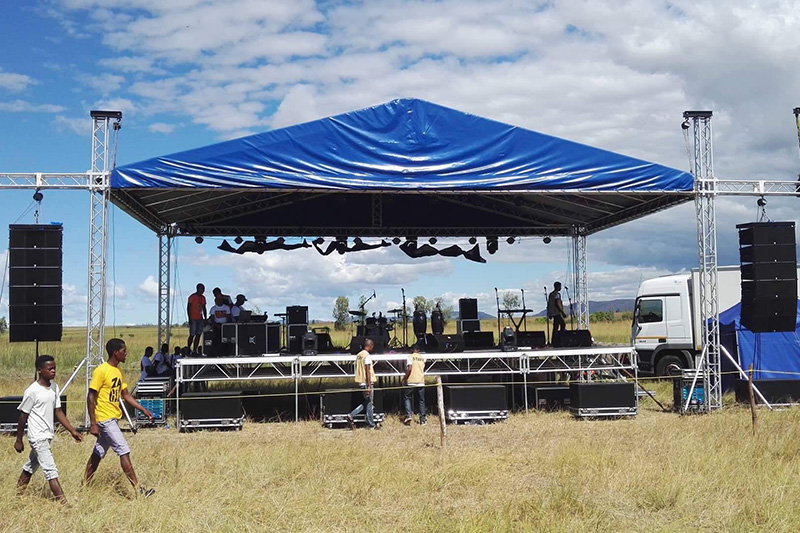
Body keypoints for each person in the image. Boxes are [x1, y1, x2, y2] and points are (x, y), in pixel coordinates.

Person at [84, 338, 155, 497]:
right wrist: (93, 423)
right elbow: (91, 396)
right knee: (124, 451)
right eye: (123, 351)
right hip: (105, 419)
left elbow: (125, 395)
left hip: (112, 418)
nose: (126, 353)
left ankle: (85, 486)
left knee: (98, 453)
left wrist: (143, 409)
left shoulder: (118, 371)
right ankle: (139, 491)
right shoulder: (101, 371)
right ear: (115, 353)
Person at [14, 355, 83, 504]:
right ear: (40, 370)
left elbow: (58, 412)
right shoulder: (32, 391)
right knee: (51, 470)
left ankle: (17, 496)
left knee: (30, 466)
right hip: (37, 436)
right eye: (50, 368)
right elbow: (23, 416)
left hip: (47, 435)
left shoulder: (54, 387)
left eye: (54, 368)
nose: (53, 371)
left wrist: (72, 430)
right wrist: (18, 440)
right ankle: (64, 504)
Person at [346, 338, 377, 430]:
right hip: (367, 382)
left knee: (367, 403)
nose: (372, 349)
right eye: (372, 347)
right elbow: (367, 371)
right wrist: (368, 386)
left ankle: (352, 415)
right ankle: (371, 424)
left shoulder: (359, 355)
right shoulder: (366, 356)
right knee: (369, 403)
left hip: (361, 382)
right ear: (370, 346)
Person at [402, 345, 426, 425]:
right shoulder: (422, 358)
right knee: (421, 400)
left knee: (407, 397)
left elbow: (409, 369)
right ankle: (423, 420)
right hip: (421, 381)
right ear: (418, 350)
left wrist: (405, 378)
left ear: (411, 350)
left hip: (411, 380)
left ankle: (409, 415)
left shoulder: (410, 357)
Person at [187, 283, 207, 353]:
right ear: (198, 289)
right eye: (202, 289)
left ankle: (195, 349)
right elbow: (188, 307)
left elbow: (204, 308)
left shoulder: (203, 298)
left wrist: (205, 318)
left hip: (200, 318)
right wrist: (189, 318)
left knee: (198, 334)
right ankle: (188, 348)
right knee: (192, 334)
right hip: (193, 318)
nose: (203, 291)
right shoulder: (192, 297)